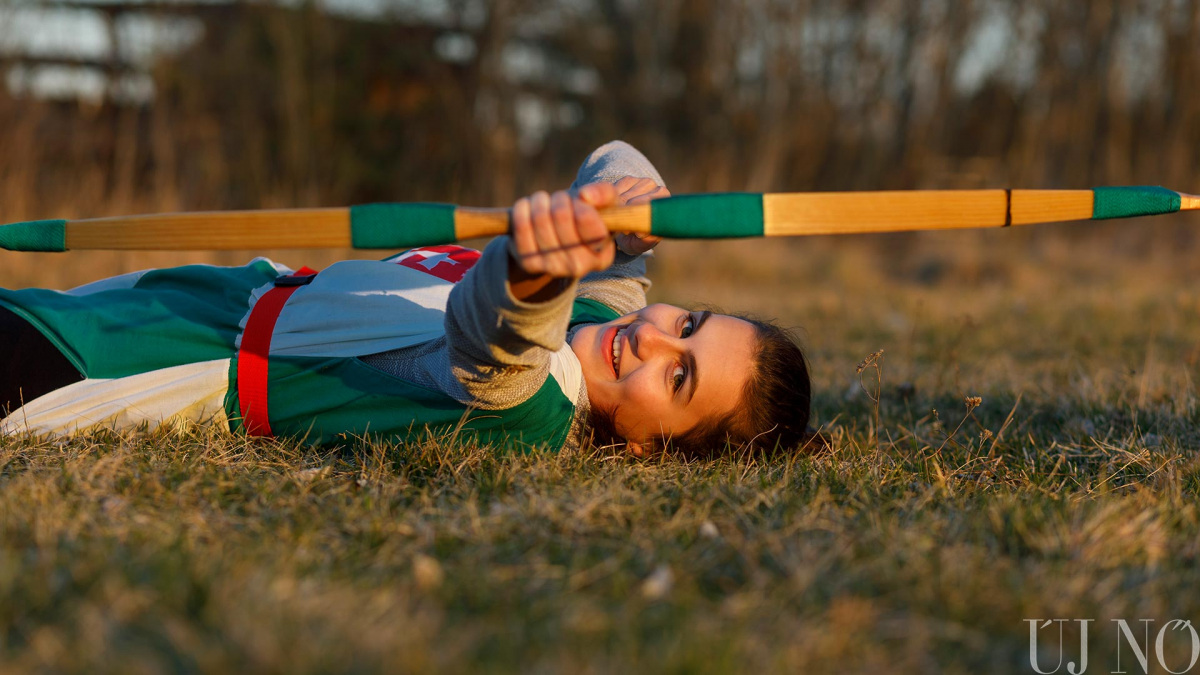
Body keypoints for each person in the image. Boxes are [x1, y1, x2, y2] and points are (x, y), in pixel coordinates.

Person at [0, 142, 811, 457]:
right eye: (689, 324)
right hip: (218, 292)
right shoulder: (608, 314)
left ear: (650, 449)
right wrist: (629, 208)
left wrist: (536, 269)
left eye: (679, 378)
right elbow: (614, 155)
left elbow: (499, 344)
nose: (655, 339)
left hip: (158, 364)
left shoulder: (536, 412)